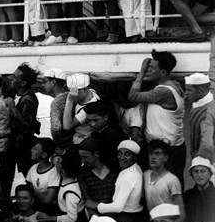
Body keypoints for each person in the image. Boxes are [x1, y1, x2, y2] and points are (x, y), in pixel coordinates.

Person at [128, 50, 186, 186]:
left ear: (163, 72)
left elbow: (133, 96)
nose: (148, 70)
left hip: (167, 150)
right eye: (148, 67)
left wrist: (141, 73)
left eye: (152, 68)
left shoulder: (163, 92)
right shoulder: (173, 85)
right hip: (171, 146)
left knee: (165, 188)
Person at [87, 140, 147, 222]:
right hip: (137, 218)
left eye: (127, 154)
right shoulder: (135, 169)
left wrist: (96, 205)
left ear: (135, 157)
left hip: (126, 220)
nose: (122, 157)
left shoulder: (128, 176)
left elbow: (118, 207)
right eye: (120, 153)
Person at [38, 148, 88, 222]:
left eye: (60, 163)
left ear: (64, 170)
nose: (57, 164)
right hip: (67, 221)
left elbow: (71, 217)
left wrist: (51, 218)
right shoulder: (67, 180)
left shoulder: (70, 192)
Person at [6, 64, 41, 182]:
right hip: (14, 145)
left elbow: (27, 125)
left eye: (15, 77)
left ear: (23, 83)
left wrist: (13, 108)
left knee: (29, 176)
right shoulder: (14, 94)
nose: (11, 78)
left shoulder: (28, 99)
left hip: (23, 146)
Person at [181, 157, 215, 222]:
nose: (199, 175)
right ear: (192, 175)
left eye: (203, 171)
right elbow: (185, 221)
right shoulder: (189, 195)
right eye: (196, 171)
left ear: (210, 173)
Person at [77, 137, 118, 217]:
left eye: (85, 157)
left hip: (117, 214)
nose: (82, 161)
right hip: (98, 218)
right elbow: (88, 201)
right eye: (81, 157)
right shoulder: (83, 174)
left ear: (96, 154)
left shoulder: (114, 170)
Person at [144, 140, 184, 216]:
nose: (153, 157)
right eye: (151, 153)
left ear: (165, 157)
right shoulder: (145, 175)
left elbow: (181, 211)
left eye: (157, 153)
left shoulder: (172, 180)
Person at [85, 101, 126, 172]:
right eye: (88, 121)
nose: (92, 124)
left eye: (95, 120)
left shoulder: (113, 136)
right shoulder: (98, 132)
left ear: (105, 117)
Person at [184, 73, 215, 160]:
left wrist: (197, 162)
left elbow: (207, 146)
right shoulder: (207, 98)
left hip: (207, 164)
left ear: (200, 91)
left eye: (189, 90)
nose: (186, 93)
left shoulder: (206, 115)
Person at [63, 73, 100, 145]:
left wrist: (69, 100)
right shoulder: (92, 92)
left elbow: (67, 126)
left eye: (74, 91)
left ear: (85, 90)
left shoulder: (86, 110)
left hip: (82, 139)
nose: (71, 94)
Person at [26, 138, 59, 213]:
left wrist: (33, 192)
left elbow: (47, 200)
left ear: (44, 155)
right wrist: (41, 194)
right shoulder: (33, 168)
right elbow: (27, 190)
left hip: (48, 210)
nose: (31, 150)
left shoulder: (53, 172)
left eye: (35, 149)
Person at [42, 68, 70, 147]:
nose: (43, 85)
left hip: (64, 143)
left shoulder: (57, 102)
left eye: (45, 82)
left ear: (53, 82)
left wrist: (57, 141)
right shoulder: (71, 97)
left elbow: (56, 127)